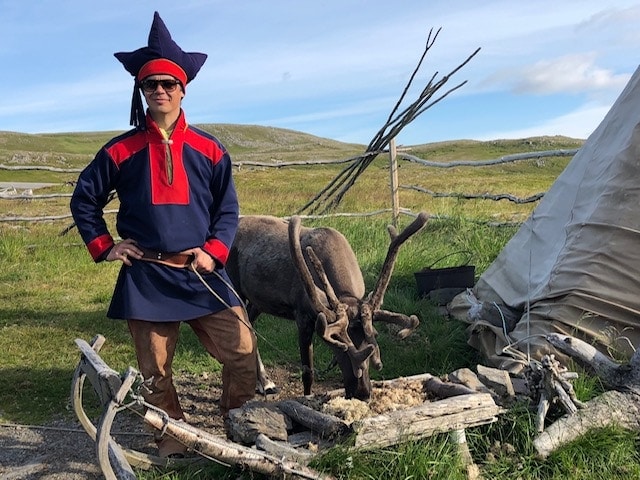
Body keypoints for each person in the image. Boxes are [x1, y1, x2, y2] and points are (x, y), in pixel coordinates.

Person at [70, 11, 257, 458]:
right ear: (142, 90)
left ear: (182, 89)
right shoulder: (120, 150)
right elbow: (84, 200)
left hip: (201, 273)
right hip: (147, 275)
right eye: (151, 84)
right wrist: (106, 245)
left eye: (168, 84)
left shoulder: (211, 149)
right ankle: (173, 437)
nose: (160, 91)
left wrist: (214, 252)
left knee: (243, 351)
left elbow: (227, 210)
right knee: (154, 370)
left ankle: (239, 421)